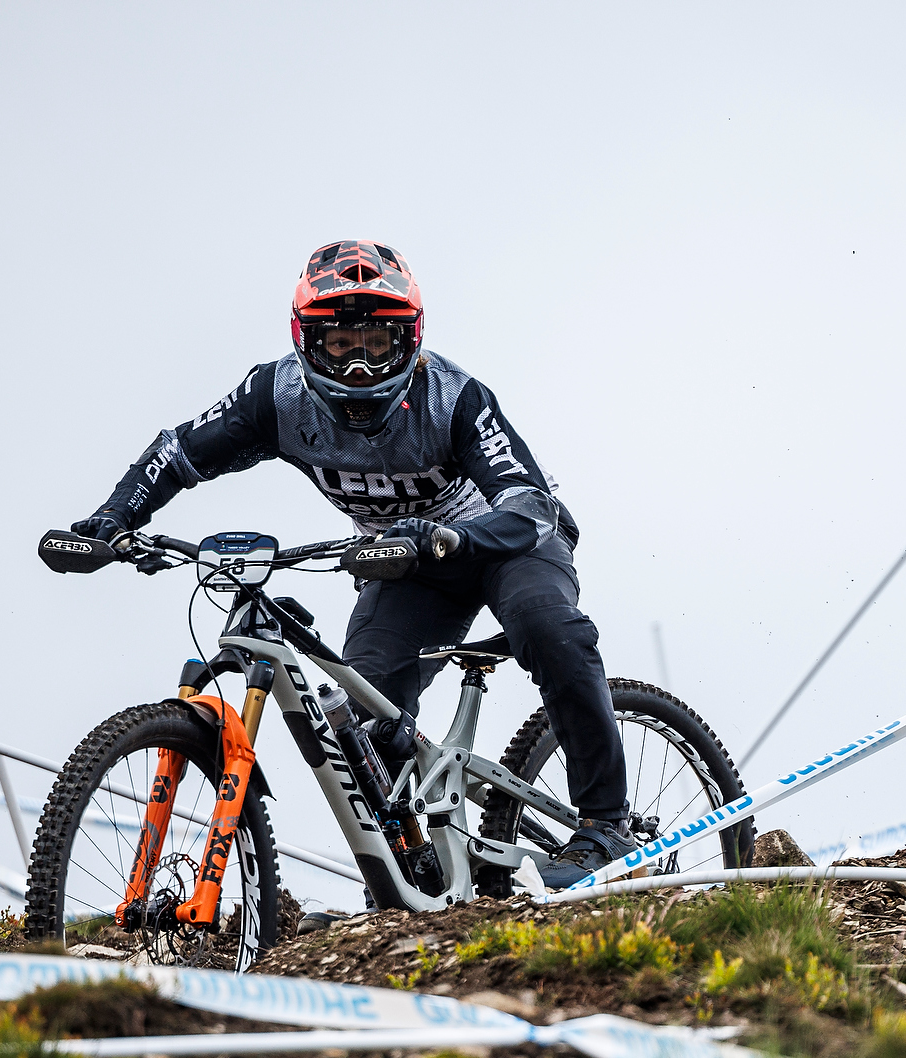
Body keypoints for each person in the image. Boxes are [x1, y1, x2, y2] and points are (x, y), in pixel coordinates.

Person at [70, 239, 633, 890]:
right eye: (340, 345)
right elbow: (178, 453)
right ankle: (410, 872)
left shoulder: (454, 397)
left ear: (409, 339)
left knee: (546, 623)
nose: (359, 366)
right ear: (306, 342)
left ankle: (606, 825)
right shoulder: (275, 395)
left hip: (506, 543)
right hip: (405, 562)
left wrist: (449, 537)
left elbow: (531, 504)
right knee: (360, 717)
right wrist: (115, 518)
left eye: (376, 343)